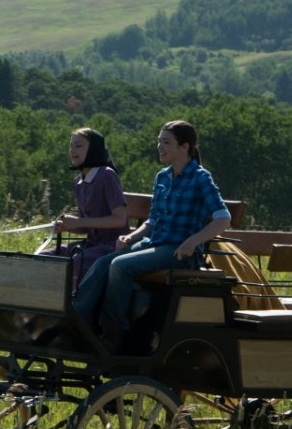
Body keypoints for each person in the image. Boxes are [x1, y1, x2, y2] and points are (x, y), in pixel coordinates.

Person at [72, 120, 231, 351]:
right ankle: (75, 315)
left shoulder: (200, 177)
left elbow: (223, 218)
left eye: (166, 142)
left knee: (120, 266)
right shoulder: (162, 177)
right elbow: (153, 221)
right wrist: (132, 237)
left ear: (184, 147)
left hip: (179, 251)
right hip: (154, 243)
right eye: (159, 141)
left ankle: (113, 332)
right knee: (104, 261)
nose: (160, 146)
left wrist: (193, 241)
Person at [40, 127, 129, 287]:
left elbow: (120, 219)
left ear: (94, 149)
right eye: (71, 145)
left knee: (75, 262)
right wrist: (68, 226)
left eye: (79, 146)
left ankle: (71, 308)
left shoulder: (106, 175)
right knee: (43, 257)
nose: (72, 150)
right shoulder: (78, 182)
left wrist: (80, 222)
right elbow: (87, 228)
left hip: (112, 245)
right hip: (90, 245)